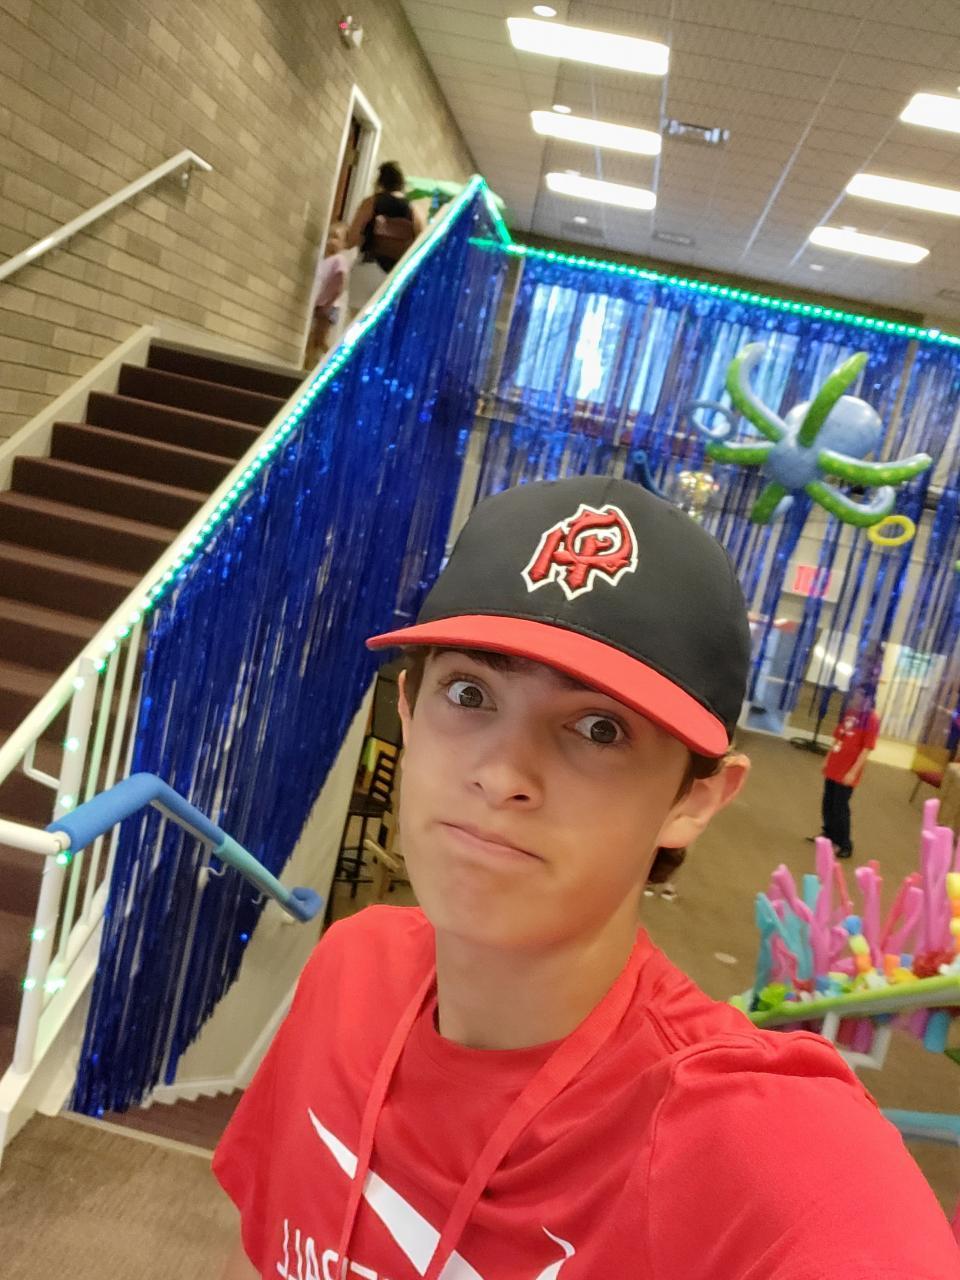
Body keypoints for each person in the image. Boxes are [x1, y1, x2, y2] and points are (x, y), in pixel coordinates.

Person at [214, 477, 958, 1279]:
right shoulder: (349, 968)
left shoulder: (749, 1143)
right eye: (468, 692)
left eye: (599, 729)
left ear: (695, 800)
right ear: (409, 709)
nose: (502, 774)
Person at [345, 161, 424, 314]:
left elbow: (351, 240)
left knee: (357, 321)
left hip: (368, 268)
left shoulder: (371, 202)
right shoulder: (414, 211)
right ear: (401, 184)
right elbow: (421, 247)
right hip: (395, 276)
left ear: (380, 182)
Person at [817, 683, 881, 859]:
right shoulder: (850, 713)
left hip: (847, 769)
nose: (855, 698)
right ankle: (828, 834)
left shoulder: (871, 719)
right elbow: (838, 738)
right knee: (828, 802)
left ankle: (844, 843)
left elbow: (866, 749)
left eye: (859, 695)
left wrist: (853, 772)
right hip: (835, 764)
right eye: (855, 695)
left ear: (868, 698)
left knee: (840, 806)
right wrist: (828, 758)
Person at [304, 222, 353, 368]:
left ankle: (339, 363)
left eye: (336, 238)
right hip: (321, 304)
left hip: (329, 305)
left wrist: (328, 304)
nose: (331, 241)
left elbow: (341, 284)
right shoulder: (325, 260)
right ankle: (308, 365)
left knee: (319, 339)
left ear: (344, 244)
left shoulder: (339, 260)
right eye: (330, 237)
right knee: (313, 339)